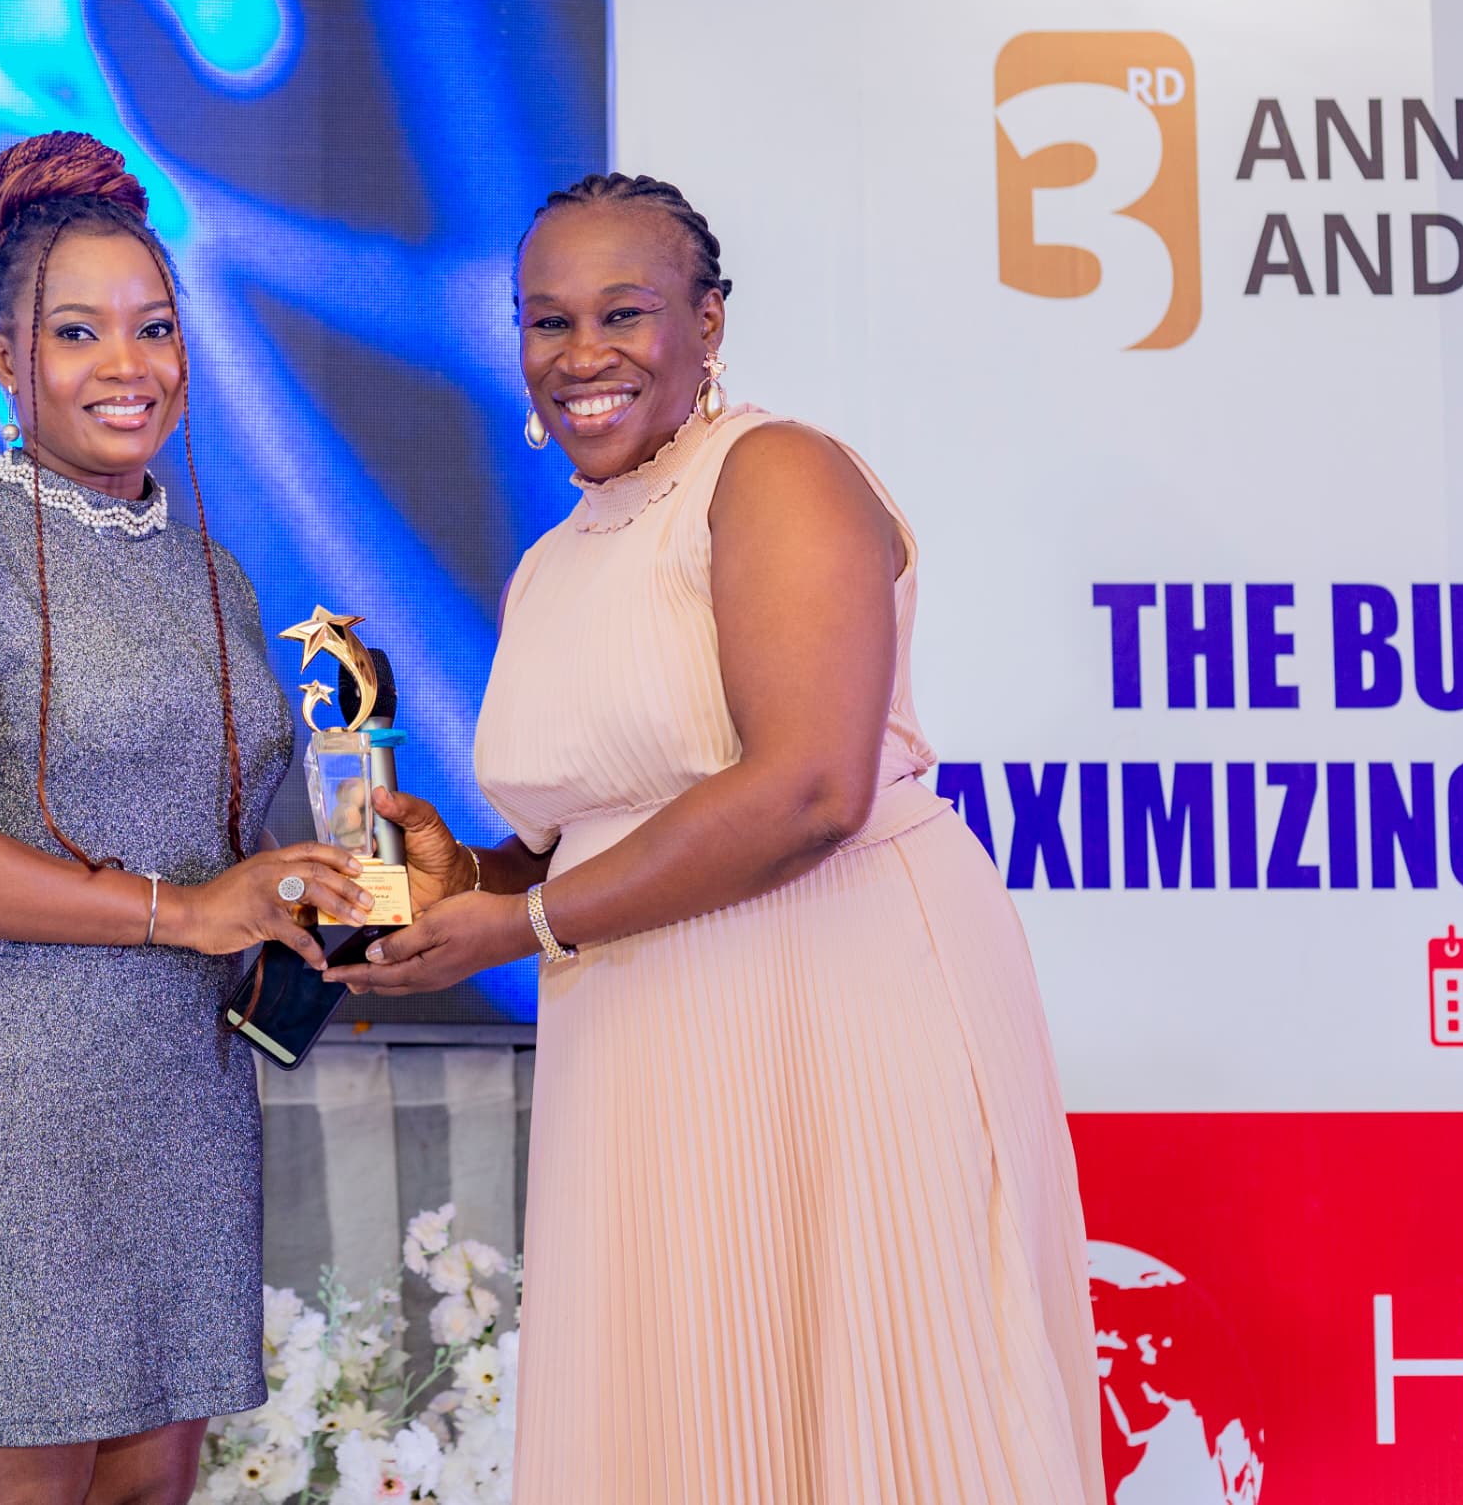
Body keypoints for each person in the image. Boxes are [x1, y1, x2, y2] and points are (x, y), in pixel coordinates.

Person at [328, 173, 1107, 1502]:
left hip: (836, 1003)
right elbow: (605, 830)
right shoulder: (552, 559)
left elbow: (810, 788)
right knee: (687, 1407)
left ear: (709, 322)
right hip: (642, 1031)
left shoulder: (776, 471)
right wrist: (472, 875)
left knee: (869, 1401)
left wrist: (523, 923)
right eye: (548, 320)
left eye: (624, 313)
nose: (582, 353)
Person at [0, 131, 368, 1505]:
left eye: (156, 327)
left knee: (145, 1490)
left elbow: (223, 845)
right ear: (6, 361)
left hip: (180, 1092)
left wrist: (332, 885)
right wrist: (182, 912)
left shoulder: (215, 574)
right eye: (77, 332)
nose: (129, 364)